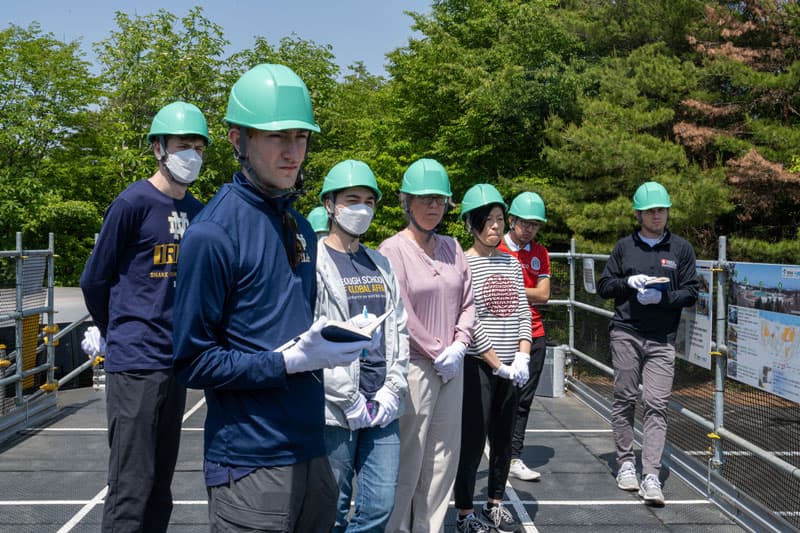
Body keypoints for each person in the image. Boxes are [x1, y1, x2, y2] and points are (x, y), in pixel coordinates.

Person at [172, 64, 373, 532]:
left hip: (312, 449)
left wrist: (334, 341)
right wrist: (284, 364)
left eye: (301, 137)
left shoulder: (299, 225)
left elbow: (293, 328)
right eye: (276, 136)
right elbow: (191, 362)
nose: (293, 151)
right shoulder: (212, 234)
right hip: (250, 462)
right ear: (237, 140)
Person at [79, 100, 210, 532]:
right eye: (181, 145)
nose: (191, 154)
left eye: (198, 146)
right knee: (130, 486)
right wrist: (115, 328)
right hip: (136, 360)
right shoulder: (132, 202)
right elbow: (95, 279)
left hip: (174, 361)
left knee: (160, 487)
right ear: (159, 148)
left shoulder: (197, 210)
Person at [379, 158, 476, 533]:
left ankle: (429, 528)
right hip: (416, 367)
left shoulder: (453, 247)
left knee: (443, 458)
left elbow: (468, 303)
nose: (433, 206)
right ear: (407, 202)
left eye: (439, 199)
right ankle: (397, 528)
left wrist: (460, 345)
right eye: (425, 199)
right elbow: (399, 309)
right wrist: (438, 351)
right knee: (409, 456)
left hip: (453, 367)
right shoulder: (392, 250)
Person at [315, 159, 409, 532]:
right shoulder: (315, 262)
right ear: (329, 205)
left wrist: (392, 389)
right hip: (336, 410)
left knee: (379, 506)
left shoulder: (380, 264)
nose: (362, 209)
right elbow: (313, 336)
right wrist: (346, 396)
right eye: (352, 199)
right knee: (331, 509)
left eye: (369, 201)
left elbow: (399, 331)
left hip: (381, 406)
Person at [597, 181, 698, 506]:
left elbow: (692, 292)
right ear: (639, 214)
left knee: (656, 404)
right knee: (625, 397)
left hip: (661, 338)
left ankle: (651, 474)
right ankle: (626, 463)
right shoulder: (625, 247)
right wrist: (628, 283)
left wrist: (664, 297)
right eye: (652, 211)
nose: (658, 216)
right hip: (626, 331)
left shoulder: (681, 249)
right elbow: (604, 286)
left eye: (662, 210)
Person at [454, 184, 532, 533]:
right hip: (477, 366)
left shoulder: (512, 263)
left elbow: (522, 313)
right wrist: (495, 363)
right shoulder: (463, 263)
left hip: (511, 367)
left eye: (500, 220)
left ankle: (495, 504)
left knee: (503, 438)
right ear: (472, 225)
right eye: (487, 221)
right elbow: (469, 321)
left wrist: (522, 355)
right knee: (471, 443)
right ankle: (465, 513)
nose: (495, 227)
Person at [497, 191, 551, 482]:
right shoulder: (494, 247)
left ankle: (513, 456)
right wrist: (523, 291)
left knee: (523, 399)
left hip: (534, 332)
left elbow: (544, 295)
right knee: (496, 399)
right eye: (525, 222)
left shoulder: (539, 253)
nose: (529, 229)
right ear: (512, 219)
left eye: (535, 224)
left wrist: (510, 287)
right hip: (500, 334)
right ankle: (496, 453)